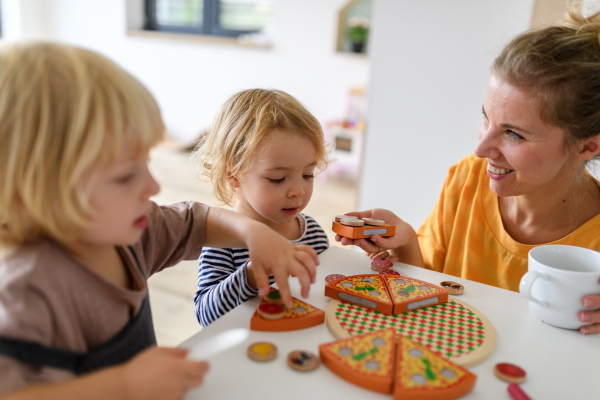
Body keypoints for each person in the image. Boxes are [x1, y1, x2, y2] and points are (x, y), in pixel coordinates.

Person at [0, 42, 318, 398]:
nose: (152, 186)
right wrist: (124, 386)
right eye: (125, 176)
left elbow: (194, 223)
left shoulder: (131, 232)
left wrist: (251, 231)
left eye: (147, 164)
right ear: (32, 189)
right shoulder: (24, 293)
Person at [336, 7, 600, 335]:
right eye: (486, 117)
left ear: (588, 147)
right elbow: (427, 289)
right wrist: (405, 243)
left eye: (514, 133)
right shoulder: (468, 179)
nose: (481, 150)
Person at [192, 88, 330, 327]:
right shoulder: (223, 239)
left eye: (307, 174)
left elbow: (322, 295)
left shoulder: (313, 233)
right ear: (233, 174)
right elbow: (205, 316)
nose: (298, 190)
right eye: (278, 179)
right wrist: (251, 274)